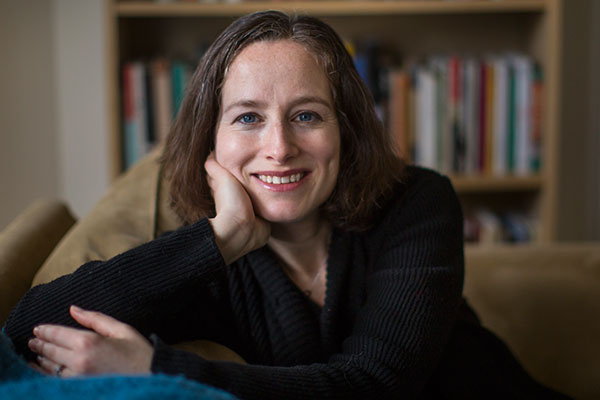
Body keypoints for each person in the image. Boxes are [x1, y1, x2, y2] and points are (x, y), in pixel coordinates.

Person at [3, 10, 568, 400]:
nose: (279, 147)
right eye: (248, 117)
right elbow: (24, 329)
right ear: (210, 140)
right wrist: (221, 239)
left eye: (306, 115)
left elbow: (377, 386)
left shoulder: (418, 202)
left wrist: (157, 369)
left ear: (345, 130)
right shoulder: (204, 258)